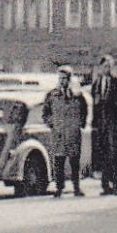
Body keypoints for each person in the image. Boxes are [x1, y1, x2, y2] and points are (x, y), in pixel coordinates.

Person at [42, 66, 89, 198]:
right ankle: (59, 188)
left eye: (66, 78)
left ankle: (76, 187)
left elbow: (84, 110)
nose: (63, 81)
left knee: (75, 161)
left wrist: (81, 123)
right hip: (59, 133)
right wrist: (52, 124)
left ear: (70, 79)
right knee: (59, 161)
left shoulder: (77, 96)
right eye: (61, 78)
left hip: (73, 133)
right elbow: (45, 113)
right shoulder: (52, 95)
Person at [90, 55, 117, 196]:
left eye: (109, 66)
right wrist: (95, 124)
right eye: (104, 66)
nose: (107, 69)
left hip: (116, 125)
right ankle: (105, 185)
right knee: (103, 155)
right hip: (102, 125)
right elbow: (95, 105)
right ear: (100, 68)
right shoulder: (96, 84)